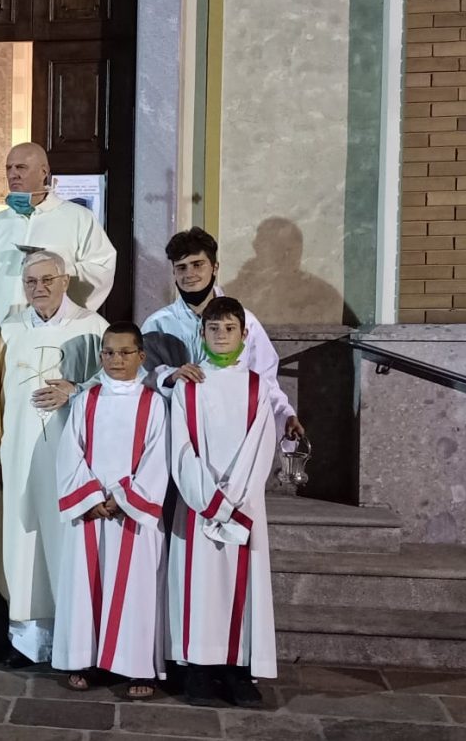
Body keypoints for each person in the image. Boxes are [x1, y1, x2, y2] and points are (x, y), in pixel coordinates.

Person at [0, 251, 108, 667]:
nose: (39, 288)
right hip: (19, 452)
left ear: (65, 280)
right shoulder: (8, 329)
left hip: (70, 455)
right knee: (22, 542)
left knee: (65, 542)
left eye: (47, 280)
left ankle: (72, 636)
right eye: (30, 282)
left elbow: (115, 386)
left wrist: (74, 390)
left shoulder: (93, 327)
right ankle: (25, 640)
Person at [166, 297, 277, 707]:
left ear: (244, 335)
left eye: (230, 329)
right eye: (213, 328)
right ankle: (197, 670)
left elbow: (261, 445)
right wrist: (208, 499)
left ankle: (237, 673)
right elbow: (180, 448)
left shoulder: (257, 386)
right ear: (202, 333)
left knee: (240, 587)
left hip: (244, 506)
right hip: (198, 506)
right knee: (198, 586)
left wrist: (233, 500)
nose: (221, 335)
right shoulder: (188, 386)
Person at [53, 323, 168, 699]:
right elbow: (70, 449)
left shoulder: (153, 403)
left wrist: (121, 499)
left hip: (130, 513)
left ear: (141, 357)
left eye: (124, 353)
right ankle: (86, 660)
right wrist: (91, 498)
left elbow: (158, 458)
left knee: (136, 589)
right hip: (92, 511)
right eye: (108, 353)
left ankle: (138, 667)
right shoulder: (87, 400)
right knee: (87, 586)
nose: (115, 360)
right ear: (100, 356)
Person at [140, 227, 304, 439]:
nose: (189, 274)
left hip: (234, 434)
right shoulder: (157, 325)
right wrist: (170, 377)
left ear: (215, 267)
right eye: (181, 268)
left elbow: (264, 382)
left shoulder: (246, 322)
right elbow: (141, 381)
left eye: (197, 265)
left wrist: (285, 416)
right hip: (177, 435)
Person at [0, 142, 116, 327]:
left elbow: (101, 268)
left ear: (44, 172)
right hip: (1, 329)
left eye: (21, 167)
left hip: (56, 327)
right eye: (9, 168)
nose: (13, 174)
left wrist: (55, 270)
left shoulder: (77, 217)